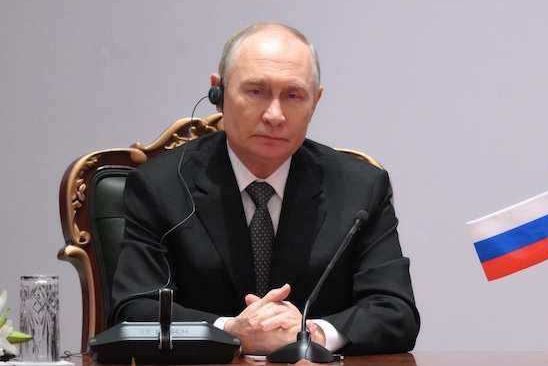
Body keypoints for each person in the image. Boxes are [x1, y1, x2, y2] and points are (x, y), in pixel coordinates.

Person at [110, 23, 419, 355]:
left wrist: (310, 333)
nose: (274, 114)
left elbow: (395, 312)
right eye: (256, 91)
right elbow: (134, 311)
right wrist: (231, 331)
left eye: (293, 95)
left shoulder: (361, 187)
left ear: (315, 101)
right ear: (219, 92)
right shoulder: (160, 186)